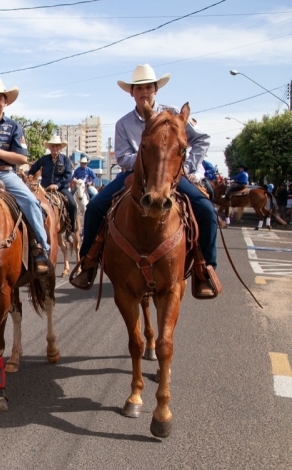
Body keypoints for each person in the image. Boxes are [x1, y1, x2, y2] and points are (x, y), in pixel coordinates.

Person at [70, 64, 219, 297]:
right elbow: (123, 157)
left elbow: (202, 140)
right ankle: (88, 263)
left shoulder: (173, 117)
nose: (144, 92)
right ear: (131, 93)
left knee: (206, 210)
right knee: (95, 207)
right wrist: (148, 160)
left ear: (155, 90)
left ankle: (206, 269)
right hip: (133, 176)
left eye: (148, 87)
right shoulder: (123, 124)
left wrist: (184, 167)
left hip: (170, 177)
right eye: (138, 88)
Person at [0, 77, 51, 275]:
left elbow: (22, 158)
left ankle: (41, 248)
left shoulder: (14, 127)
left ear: (5, 102)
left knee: (31, 203)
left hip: (5, 174)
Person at [29, 136, 77, 232]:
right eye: (53, 146)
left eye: (57, 146)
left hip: (61, 188)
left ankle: (71, 229)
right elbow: (32, 170)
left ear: (60, 148)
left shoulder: (65, 160)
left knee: (72, 204)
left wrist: (57, 185)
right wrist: (30, 178)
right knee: (30, 201)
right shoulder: (43, 160)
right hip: (44, 188)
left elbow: (68, 176)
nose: (55, 148)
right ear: (49, 147)